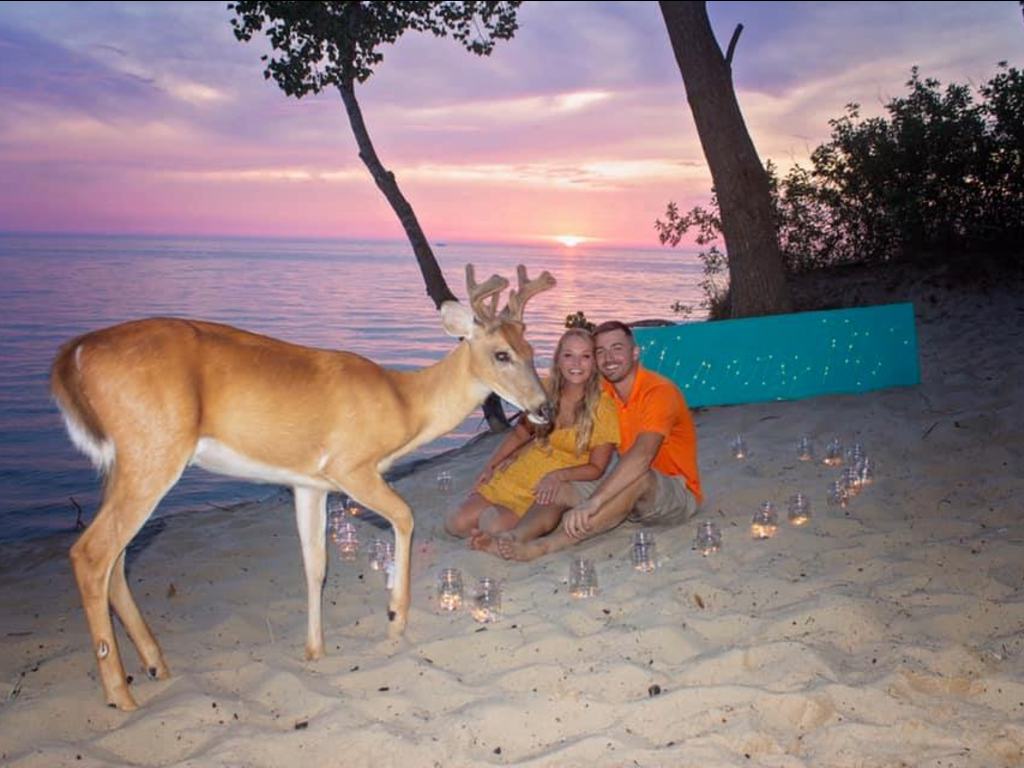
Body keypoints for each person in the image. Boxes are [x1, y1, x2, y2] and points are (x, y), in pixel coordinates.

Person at [495, 320, 701, 561]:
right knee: (560, 488)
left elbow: (642, 455)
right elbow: (563, 388)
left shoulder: (658, 393)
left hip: (675, 493)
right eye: (600, 351)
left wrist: (594, 502)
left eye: (617, 348)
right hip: (627, 487)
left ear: (635, 352)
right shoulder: (608, 389)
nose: (609, 358)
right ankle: (517, 537)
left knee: (639, 476)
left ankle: (548, 546)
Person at [445, 328, 619, 548]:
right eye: (568, 355)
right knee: (455, 522)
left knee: (493, 526)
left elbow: (597, 467)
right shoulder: (544, 389)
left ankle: (536, 523)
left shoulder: (602, 407)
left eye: (585, 356)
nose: (576, 363)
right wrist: (491, 466)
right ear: (558, 359)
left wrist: (559, 476)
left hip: (546, 488)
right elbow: (520, 433)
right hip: (522, 470)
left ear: (594, 362)